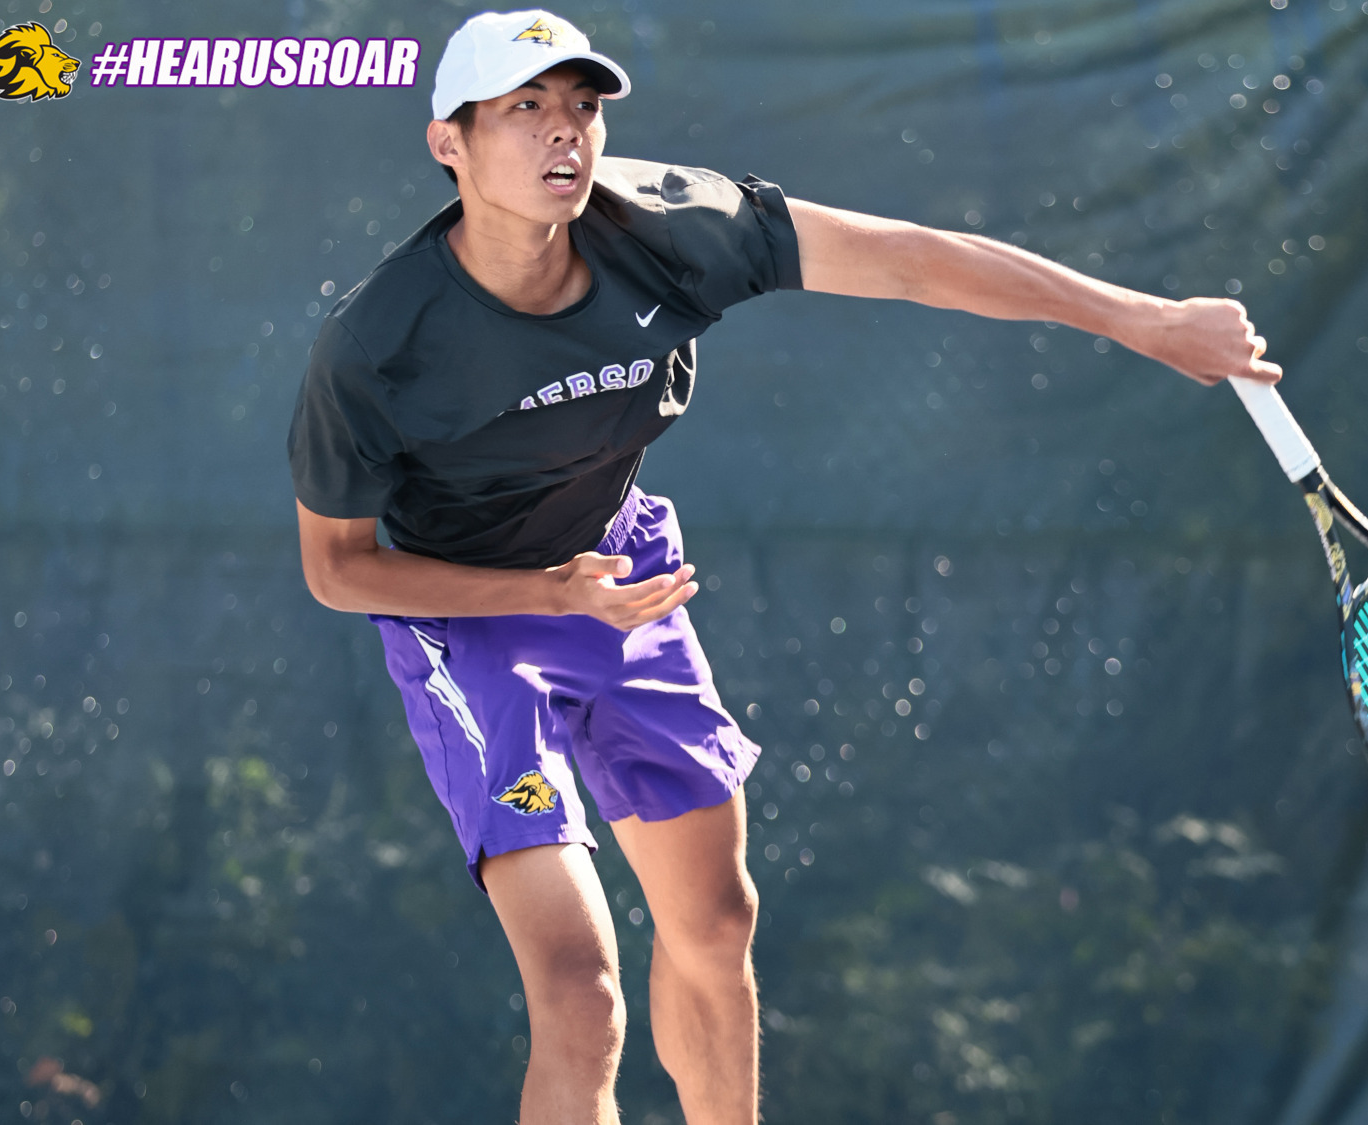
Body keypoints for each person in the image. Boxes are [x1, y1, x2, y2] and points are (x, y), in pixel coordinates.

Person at [288, 9, 1282, 1124]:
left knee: (714, 927)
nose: (564, 133)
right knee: (581, 995)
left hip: (619, 575)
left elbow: (911, 261)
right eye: (526, 110)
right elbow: (339, 570)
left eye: (582, 107)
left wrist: (1144, 322)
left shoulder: (671, 226)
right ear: (450, 144)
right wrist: (540, 594)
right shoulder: (378, 343)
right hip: (468, 626)